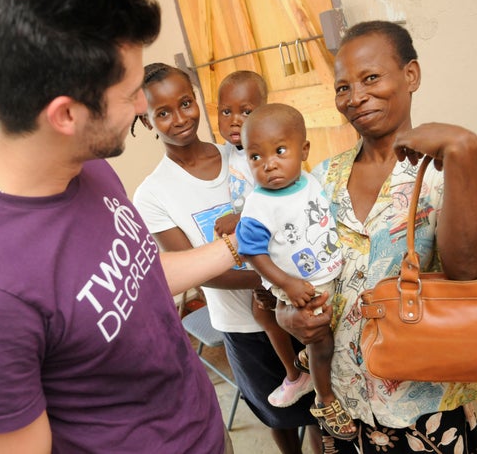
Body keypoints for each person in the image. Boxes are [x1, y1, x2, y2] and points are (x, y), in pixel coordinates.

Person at [0, 0, 242, 452]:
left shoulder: (87, 169)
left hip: (205, 432)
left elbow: (135, 275)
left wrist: (239, 244)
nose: (141, 108)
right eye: (131, 94)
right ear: (66, 115)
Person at [275, 20, 477, 453]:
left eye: (371, 78)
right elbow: (292, 278)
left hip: (424, 404)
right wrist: (287, 318)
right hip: (342, 399)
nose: (355, 97)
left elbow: (466, 271)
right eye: (343, 87)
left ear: (410, 75)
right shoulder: (321, 180)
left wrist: (465, 148)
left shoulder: (444, 171)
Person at [132, 63, 320, 454]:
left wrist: (288, 281)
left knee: (320, 409)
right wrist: (275, 278)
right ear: (146, 119)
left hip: (299, 303)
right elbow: (193, 270)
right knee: (277, 415)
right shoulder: (152, 195)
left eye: (186, 103)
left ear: (198, 101)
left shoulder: (245, 153)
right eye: (162, 113)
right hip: (242, 323)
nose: (180, 118)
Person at [235, 102, 357, 440]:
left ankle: (308, 361)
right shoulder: (260, 205)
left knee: (329, 335)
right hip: (299, 289)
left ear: (304, 150)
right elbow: (250, 252)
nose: (269, 164)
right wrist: (287, 284)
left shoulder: (311, 180)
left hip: (325, 280)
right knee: (323, 344)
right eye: (255, 157)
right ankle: (324, 398)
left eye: (280, 151)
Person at [214, 71, 314, 410]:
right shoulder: (233, 153)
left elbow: (284, 197)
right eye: (225, 111)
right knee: (268, 314)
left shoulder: (266, 149)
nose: (234, 120)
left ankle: (302, 371)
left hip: (281, 253)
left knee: (277, 314)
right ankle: (299, 372)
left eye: (245, 110)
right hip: (261, 253)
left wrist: (239, 219)